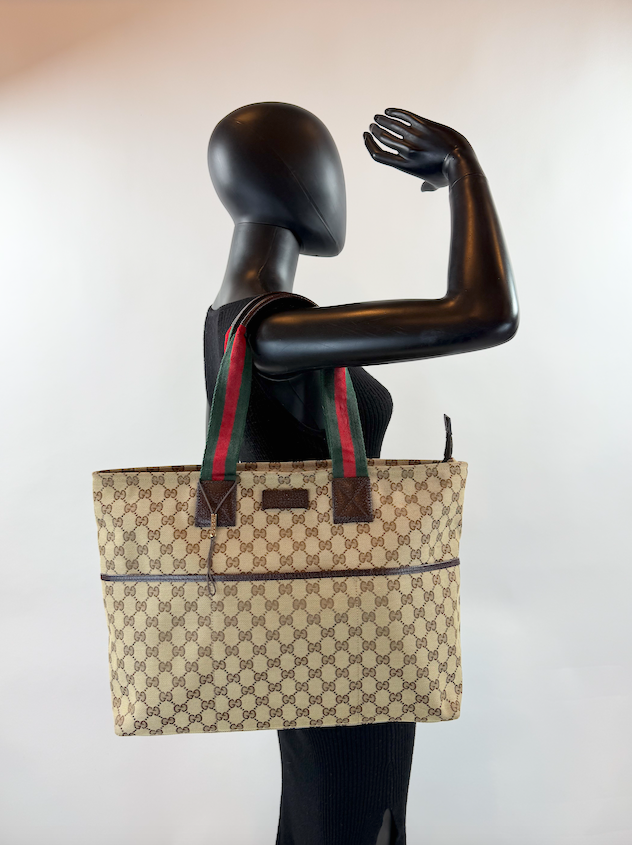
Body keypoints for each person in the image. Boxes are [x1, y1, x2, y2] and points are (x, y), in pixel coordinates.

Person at [203, 102, 518, 845]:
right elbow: (485, 312)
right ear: (288, 180)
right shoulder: (269, 329)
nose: (339, 189)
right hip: (340, 640)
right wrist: (462, 166)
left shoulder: (237, 320)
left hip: (321, 629)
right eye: (328, 166)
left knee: (327, 815)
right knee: (349, 818)